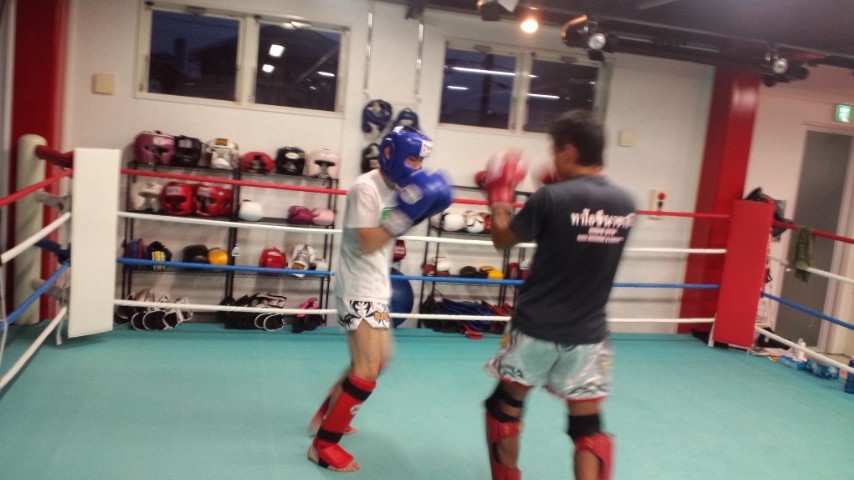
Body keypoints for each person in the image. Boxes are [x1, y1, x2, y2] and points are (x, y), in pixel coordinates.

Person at [480, 110, 636, 480]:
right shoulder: (626, 203)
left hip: (535, 328)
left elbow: (503, 239)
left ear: (568, 150)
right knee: (587, 427)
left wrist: (499, 198)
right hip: (588, 335)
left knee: (504, 407)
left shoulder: (551, 197)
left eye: (554, 152)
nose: (553, 161)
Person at [307, 126, 452, 472]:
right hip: (359, 286)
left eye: (420, 160)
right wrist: (407, 214)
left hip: (376, 284)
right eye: (412, 158)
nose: (417, 166)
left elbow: (392, 233)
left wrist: (418, 210)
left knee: (377, 361)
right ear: (391, 153)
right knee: (366, 370)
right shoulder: (366, 188)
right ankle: (323, 445)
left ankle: (327, 415)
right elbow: (368, 241)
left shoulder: (399, 188)